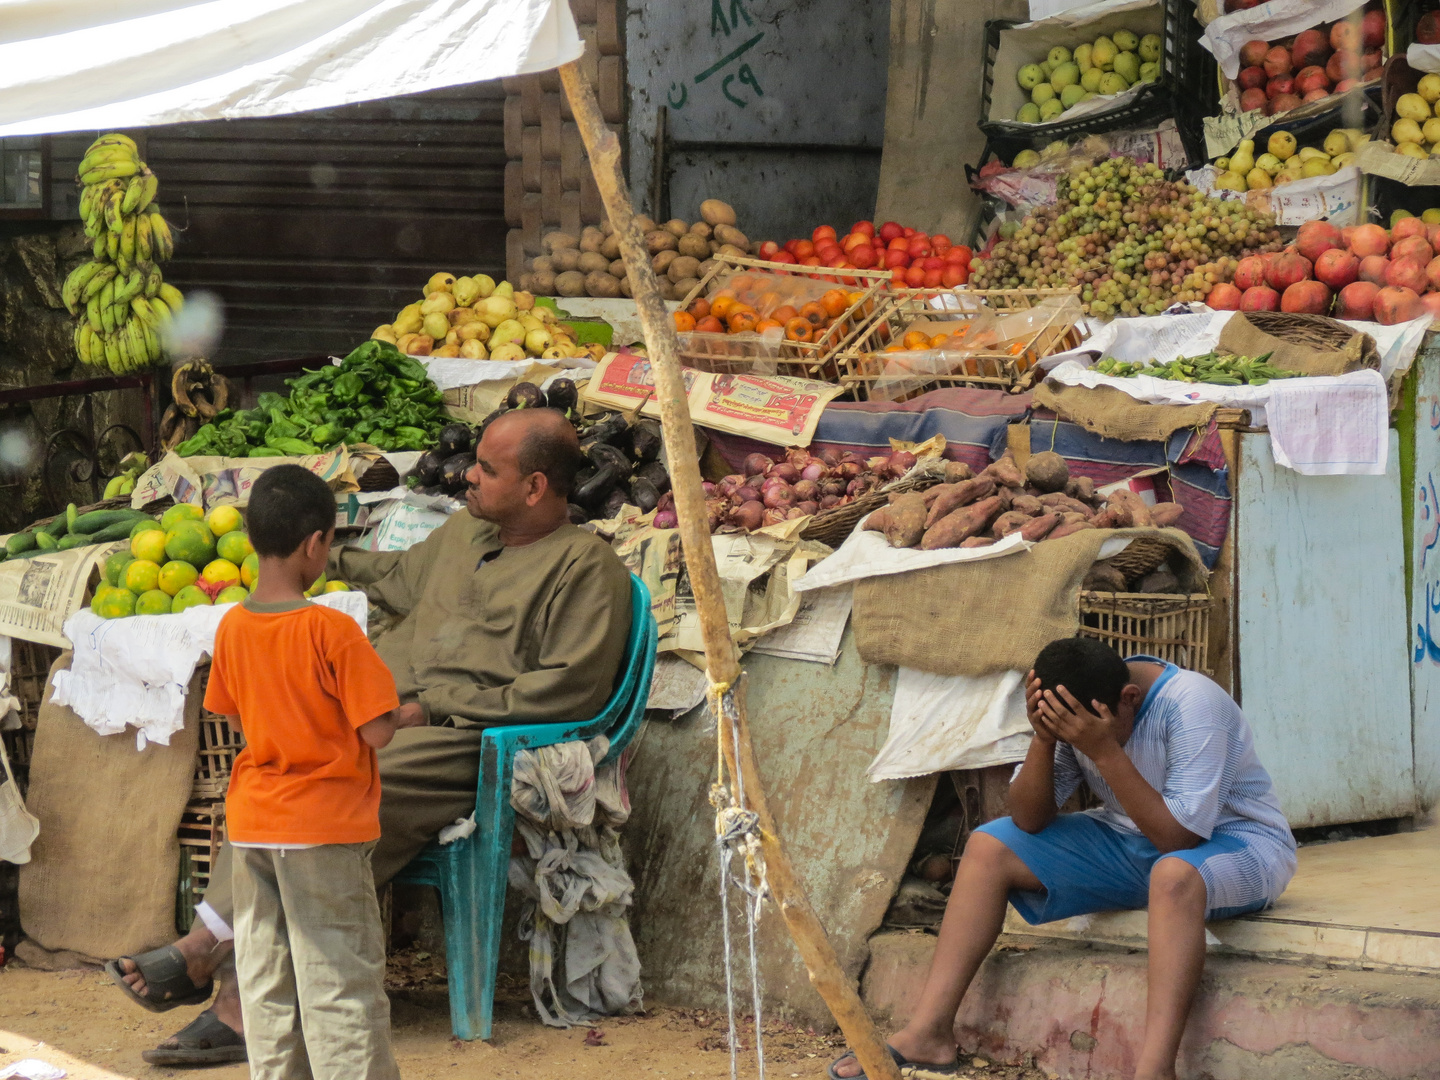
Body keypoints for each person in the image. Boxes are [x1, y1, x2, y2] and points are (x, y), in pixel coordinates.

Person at [108, 408, 634, 1066]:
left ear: (534, 487)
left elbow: (570, 690)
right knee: (273, 773)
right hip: (383, 711)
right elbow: (394, 578)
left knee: (341, 781)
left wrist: (436, 705)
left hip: (463, 732)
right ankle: (223, 962)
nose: (467, 475)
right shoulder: (466, 532)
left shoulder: (586, 568)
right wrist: (306, 551)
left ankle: (218, 967)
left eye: (487, 469)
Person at [829, 637, 1297, 1080]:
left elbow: (1178, 838)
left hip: (1237, 845)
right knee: (990, 846)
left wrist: (1103, 750)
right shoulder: (1076, 709)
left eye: (1080, 731)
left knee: (1173, 875)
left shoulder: (1194, 704)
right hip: (1135, 840)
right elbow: (1029, 819)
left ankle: (1154, 1070)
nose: (1078, 738)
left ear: (1130, 698)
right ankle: (928, 1034)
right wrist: (1045, 739)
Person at [211, 464, 423, 1079]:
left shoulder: (232, 626)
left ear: (251, 539)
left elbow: (234, 713)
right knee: (340, 983)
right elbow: (376, 730)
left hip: (253, 825)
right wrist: (409, 713)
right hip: (324, 828)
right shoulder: (333, 629)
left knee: (266, 983)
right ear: (316, 544)